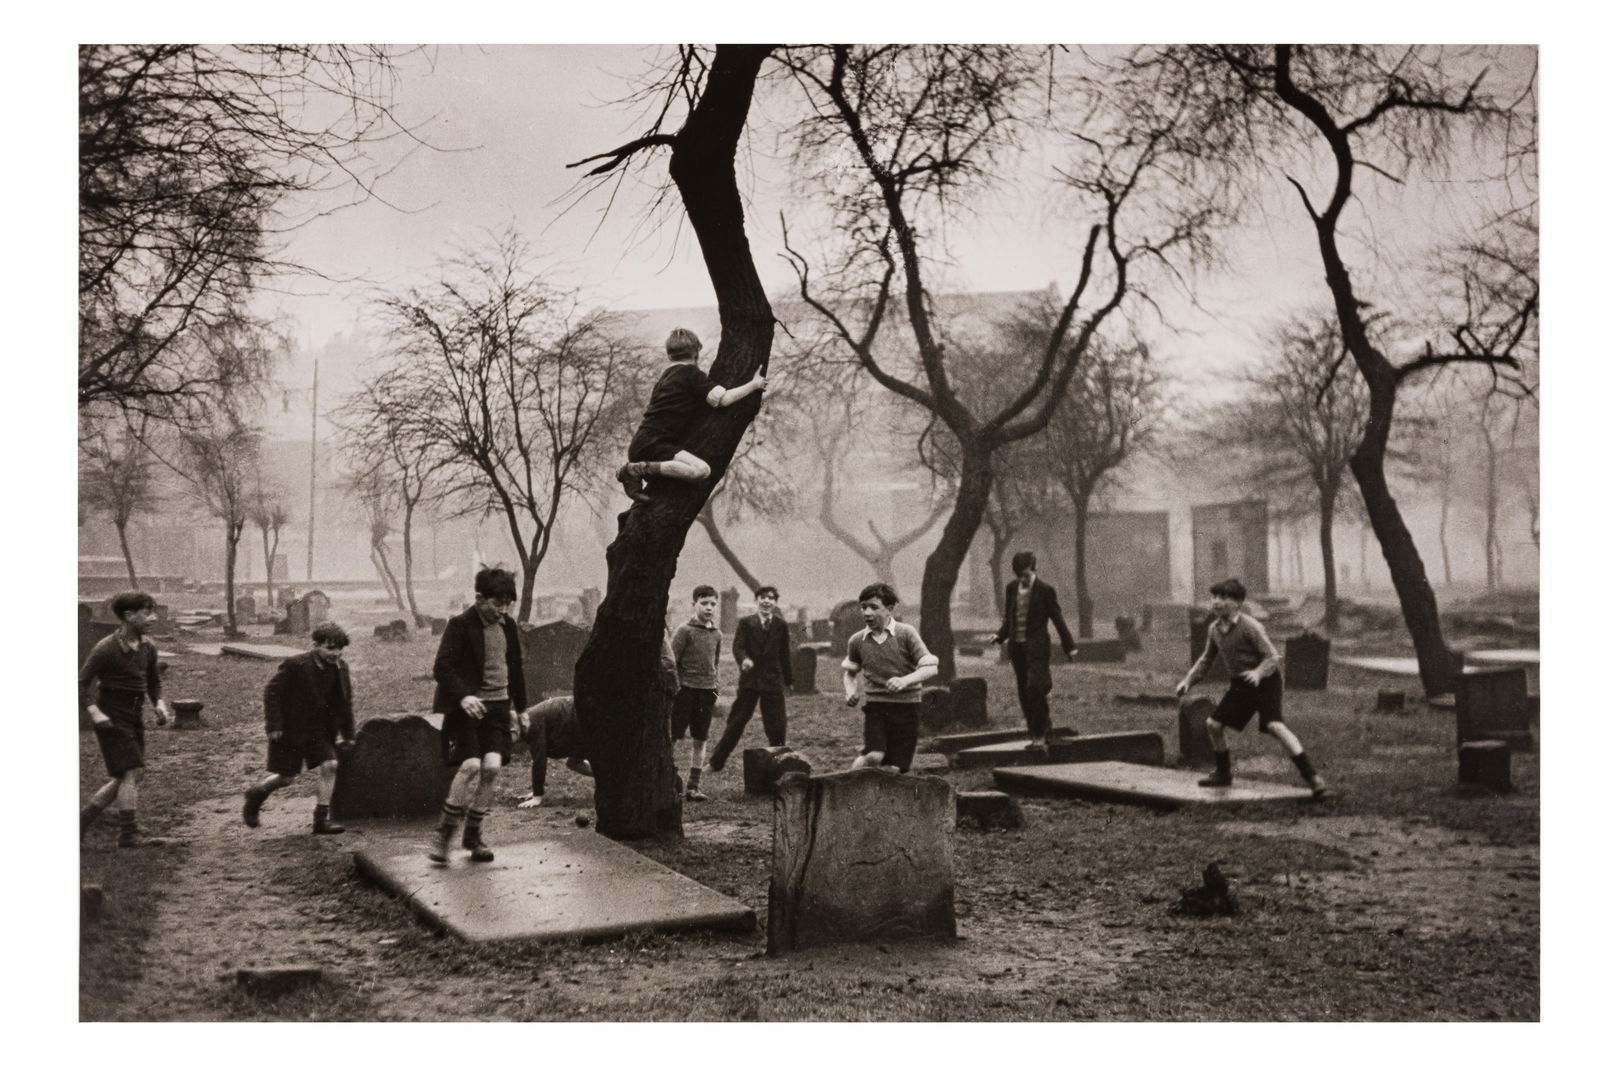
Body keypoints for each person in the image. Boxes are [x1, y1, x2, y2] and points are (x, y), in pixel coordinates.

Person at [1176, 577, 1331, 799]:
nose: (1217, 602)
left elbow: (1272, 657)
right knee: (1214, 725)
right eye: (1214, 597)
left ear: (1237, 603)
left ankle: (1313, 779)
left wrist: (1258, 673)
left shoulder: (1250, 626)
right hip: (1241, 684)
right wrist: (1187, 682)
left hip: (1267, 681)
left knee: (1275, 726)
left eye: (1223, 598)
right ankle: (1223, 774)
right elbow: (1206, 660)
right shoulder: (1214, 629)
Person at [427, 568, 529, 864]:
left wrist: (521, 710)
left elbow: (516, 669)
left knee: (493, 768)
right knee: (471, 766)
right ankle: (444, 835)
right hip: (468, 710)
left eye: (508, 603)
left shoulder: (507, 626)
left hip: (497, 709)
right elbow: (442, 667)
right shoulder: (459, 626)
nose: (503, 610)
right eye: (497, 604)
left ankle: (473, 835)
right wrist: (464, 695)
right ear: (479, 598)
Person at [616, 328, 767, 503]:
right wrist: (754, 385)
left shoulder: (666, 376)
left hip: (643, 444)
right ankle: (636, 470)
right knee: (701, 470)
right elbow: (723, 400)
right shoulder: (691, 374)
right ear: (696, 351)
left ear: (669, 355)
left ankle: (638, 469)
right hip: (654, 446)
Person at [241, 622, 356, 834]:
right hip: (291, 729)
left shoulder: (341, 668)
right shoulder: (296, 665)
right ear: (315, 645)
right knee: (286, 778)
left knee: (330, 764)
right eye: (330, 648)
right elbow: (272, 692)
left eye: (340, 648)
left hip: (320, 730)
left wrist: (349, 734)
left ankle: (320, 820)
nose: (336, 653)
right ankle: (257, 793)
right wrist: (274, 724)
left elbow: (345, 702)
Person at [79, 591, 172, 847]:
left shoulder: (148, 646)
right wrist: (95, 712)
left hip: (134, 714)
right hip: (111, 714)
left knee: (129, 775)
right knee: (130, 771)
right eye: (147, 613)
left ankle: (82, 821)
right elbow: (81, 684)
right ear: (129, 616)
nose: (153, 618)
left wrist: (159, 705)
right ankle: (128, 834)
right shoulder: (106, 648)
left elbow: (153, 681)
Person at [842, 583, 939, 773]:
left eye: (874, 607)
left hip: (908, 708)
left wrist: (905, 680)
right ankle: (846, 783)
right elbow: (850, 673)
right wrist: (850, 691)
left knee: (895, 769)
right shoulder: (857, 640)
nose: (867, 613)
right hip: (877, 707)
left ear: (890, 609)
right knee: (874, 755)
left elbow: (931, 668)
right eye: (863, 607)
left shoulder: (906, 633)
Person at [992, 551, 1078, 748]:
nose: (1021, 579)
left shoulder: (1045, 590)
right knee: (1025, 692)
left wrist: (1069, 646)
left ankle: (1040, 735)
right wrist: (999, 635)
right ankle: (1038, 731)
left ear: (1033, 568)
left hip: (1037, 648)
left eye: (1025, 574)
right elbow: (1009, 619)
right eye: (1018, 575)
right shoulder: (1011, 588)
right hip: (1018, 649)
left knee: (1034, 688)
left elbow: (1058, 619)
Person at [708, 585, 793, 772]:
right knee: (736, 722)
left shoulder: (780, 625)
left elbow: (785, 654)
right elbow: (738, 647)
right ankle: (716, 762)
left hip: (772, 682)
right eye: (762, 597)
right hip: (750, 681)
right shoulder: (746, 623)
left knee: (777, 725)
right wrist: (744, 660)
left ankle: (781, 763)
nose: (766, 601)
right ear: (756, 601)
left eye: (771, 598)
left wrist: (788, 680)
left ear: (775, 603)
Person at [670, 586, 722, 801]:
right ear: (694, 605)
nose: (708, 608)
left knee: (701, 739)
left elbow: (715, 664)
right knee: (673, 737)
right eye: (704, 603)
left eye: (712, 604)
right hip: (685, 692)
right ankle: (666, 782)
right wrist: (677, 688)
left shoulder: (717, 634)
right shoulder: (684, 631)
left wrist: (714, 688)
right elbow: (672, 662)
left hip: (706, 692)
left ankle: (693, 786)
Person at [514, 696, 592, 810]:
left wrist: (537, 797)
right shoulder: (526, 721)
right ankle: (608, 780)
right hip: (573, 720)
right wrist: (536, 792)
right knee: (574, 763)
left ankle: (612, 782)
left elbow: (540, 759)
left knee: (591, 757)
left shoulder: (530, 722)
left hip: (580, 715)